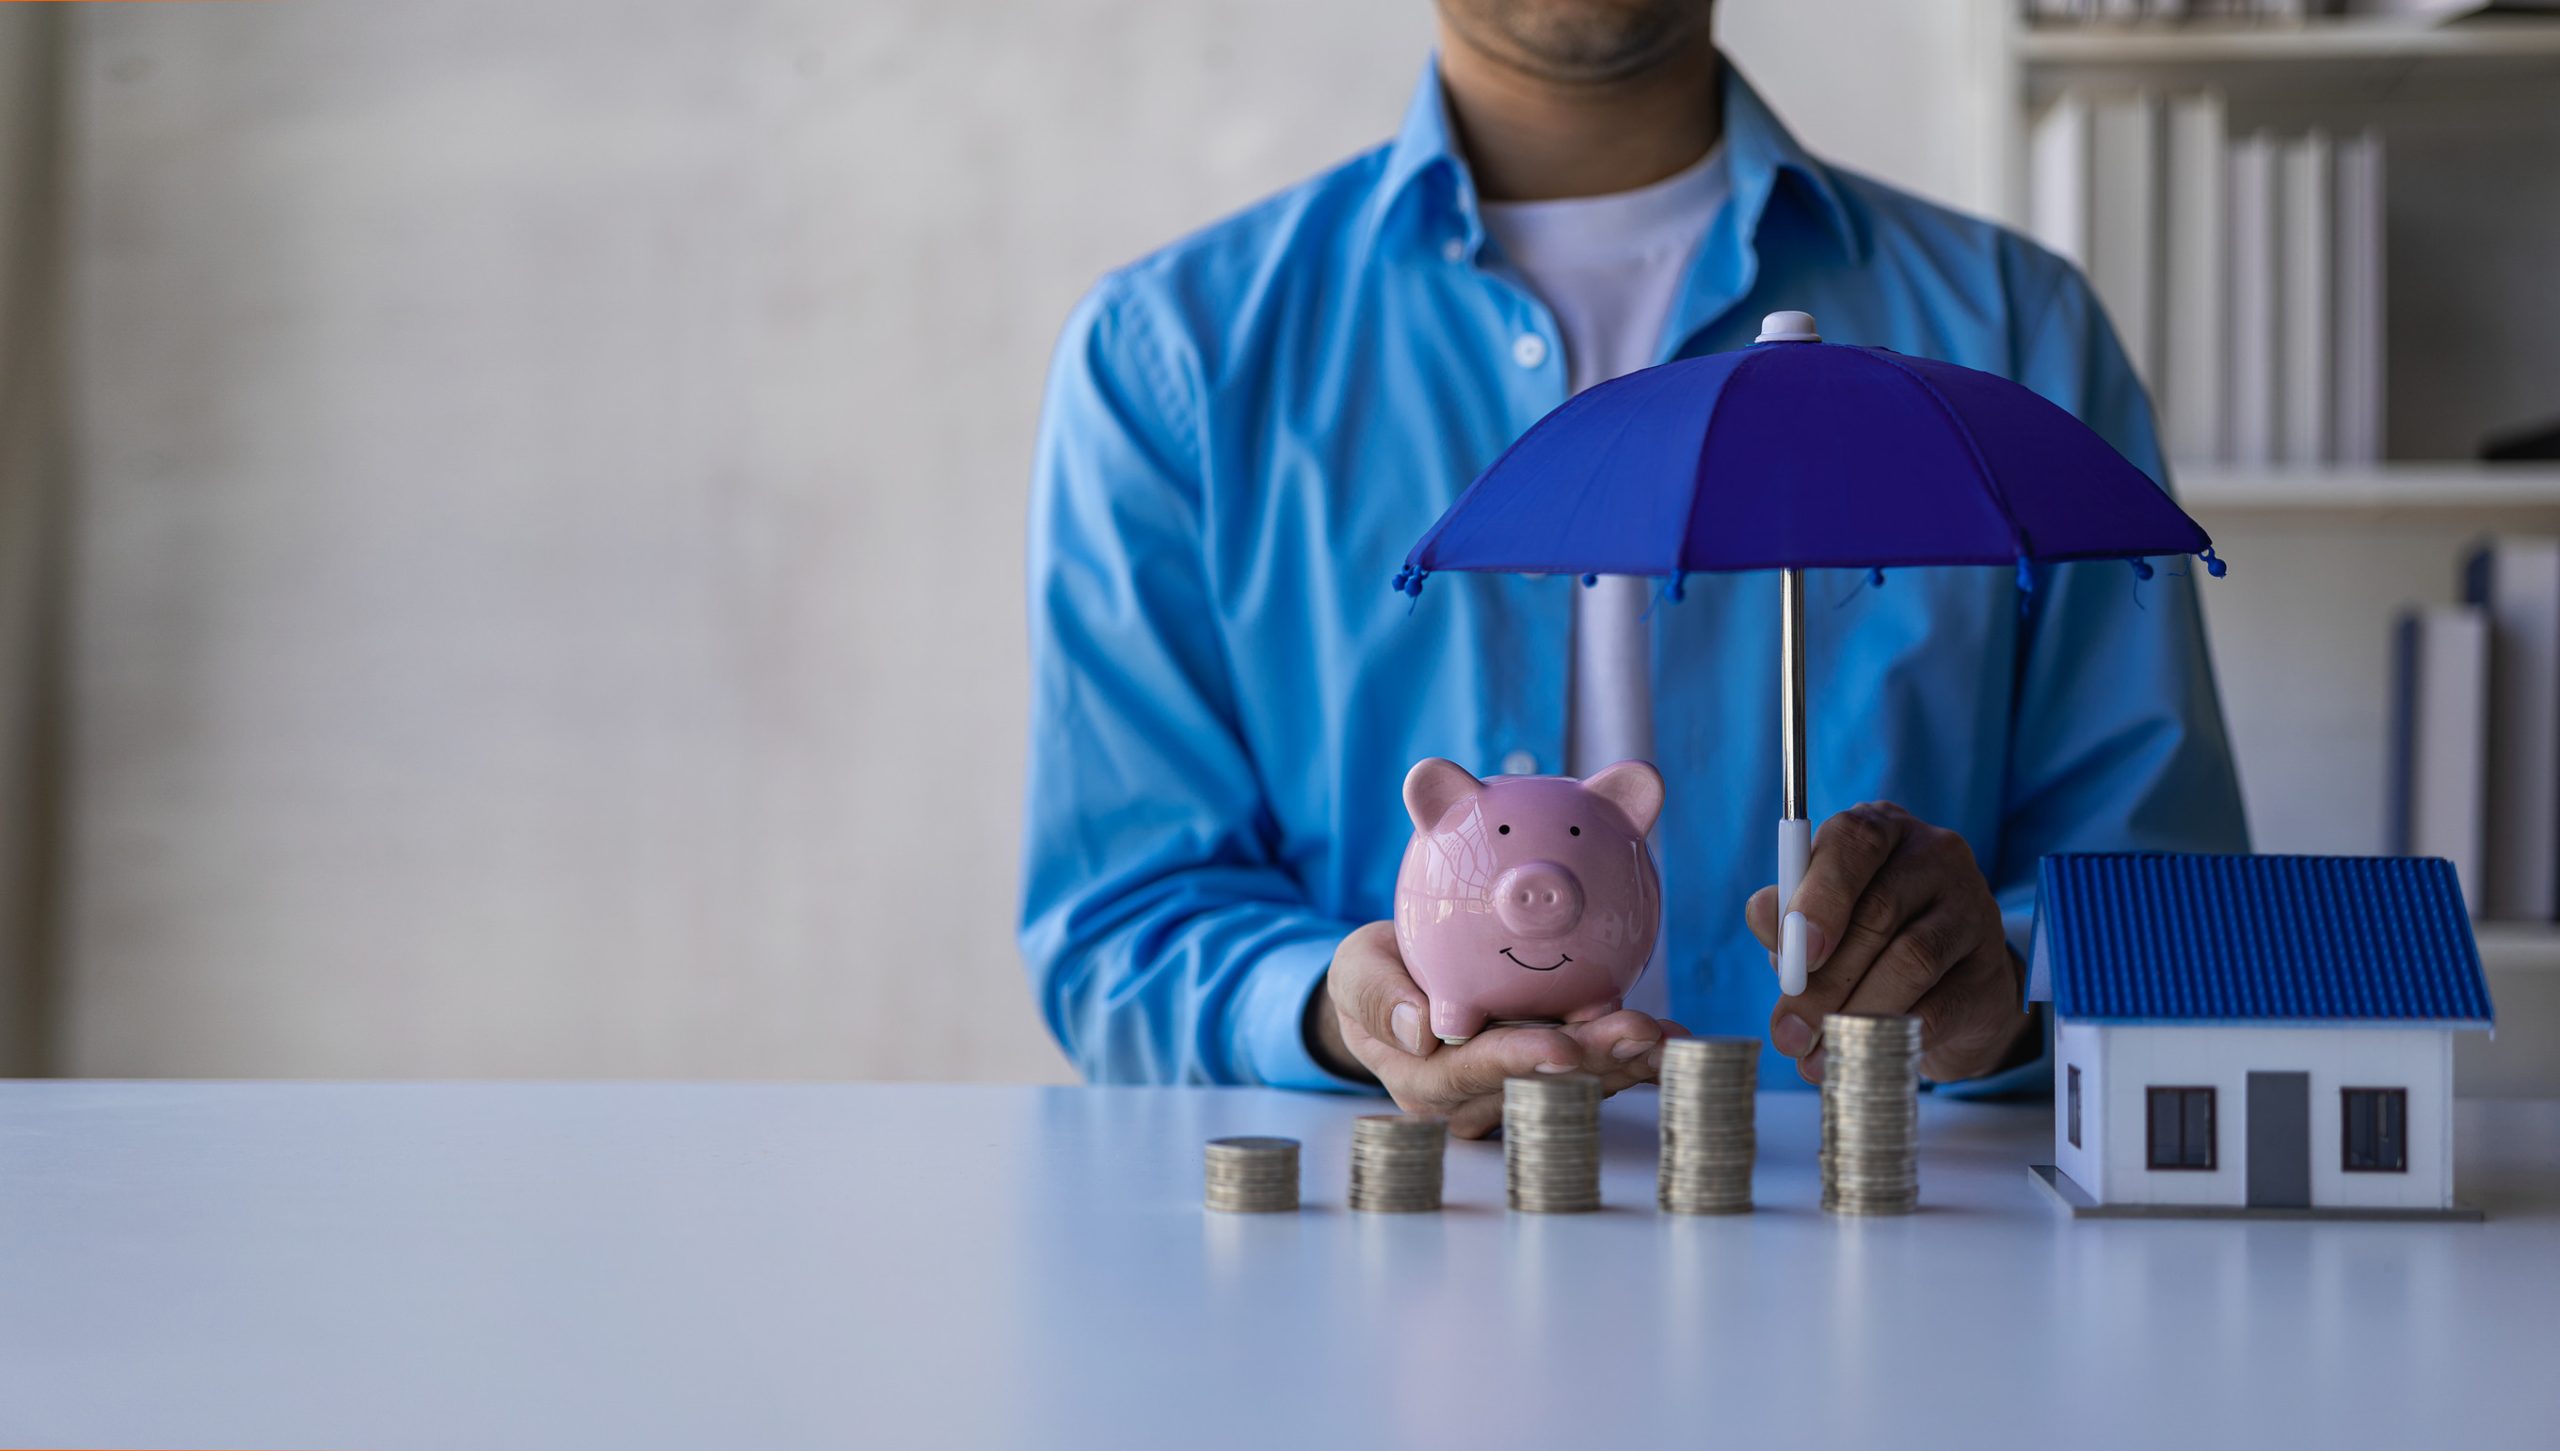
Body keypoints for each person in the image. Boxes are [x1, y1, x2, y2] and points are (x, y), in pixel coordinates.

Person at [1019, 0, 2248, 1137]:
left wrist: (2013, 988)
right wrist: (1340, 1016)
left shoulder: (2017, 332)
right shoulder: (1171, 358)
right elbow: (1124, 921)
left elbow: (2172, 911)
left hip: (1901, 1276)